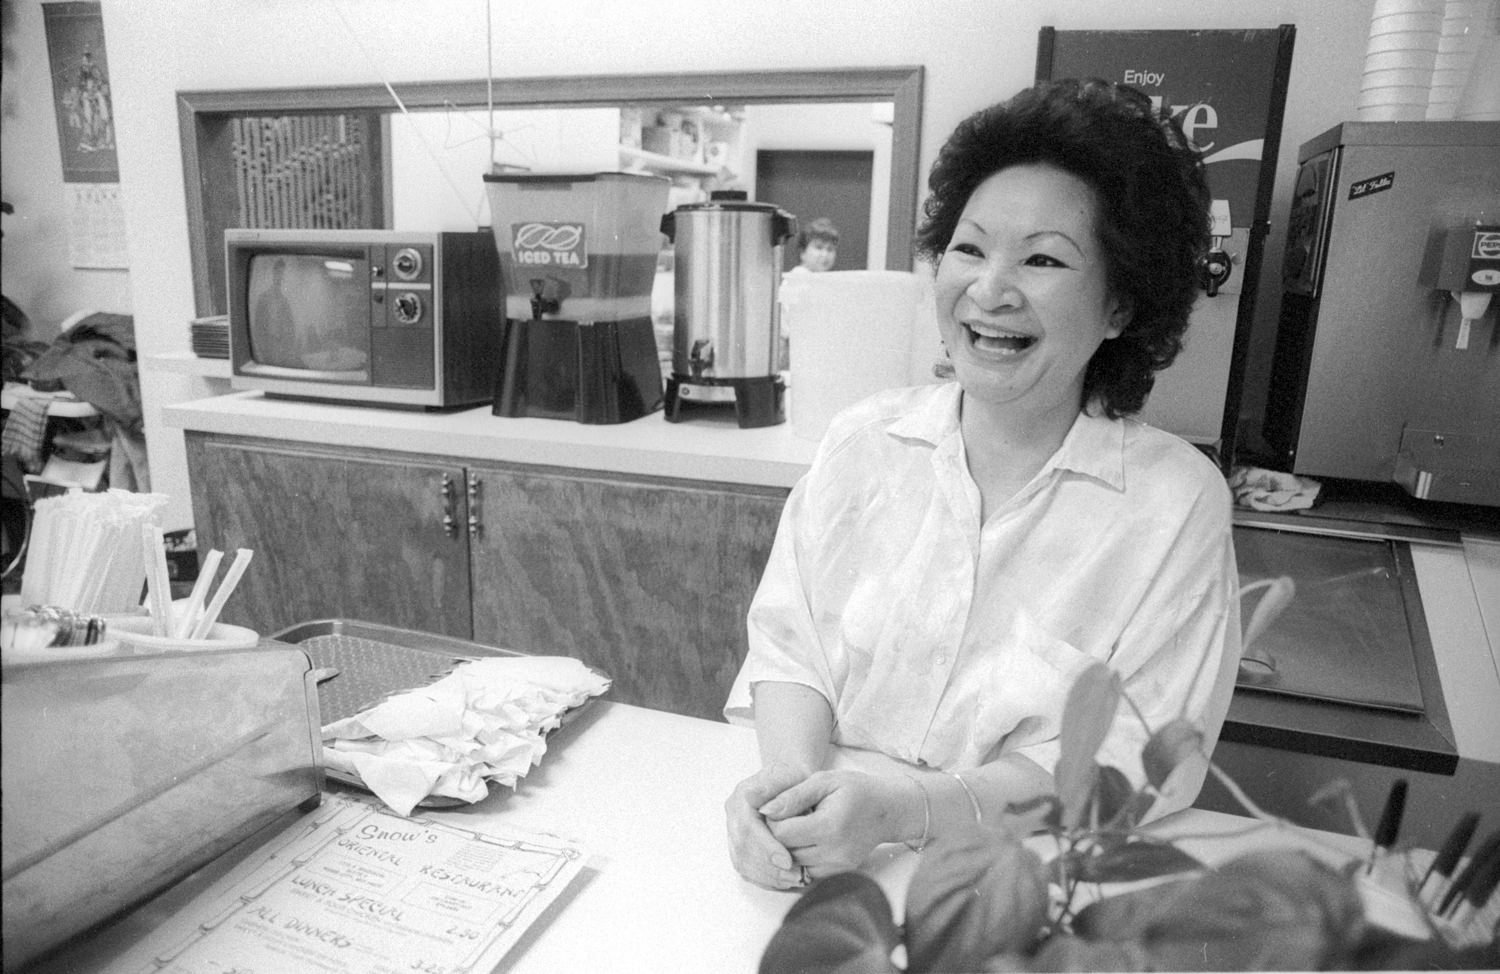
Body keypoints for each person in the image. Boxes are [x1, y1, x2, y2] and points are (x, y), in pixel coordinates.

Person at [724, 78, 1241, 891]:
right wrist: (786, 790)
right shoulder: (864, 444)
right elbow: (791, 647)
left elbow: (1134, 761)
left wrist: (904, 811)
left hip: (1031, 884)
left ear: (1120, 306)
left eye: (1042, 259)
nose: (990, 290)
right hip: (822, 871)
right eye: (969, 249)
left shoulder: (1173, 505)